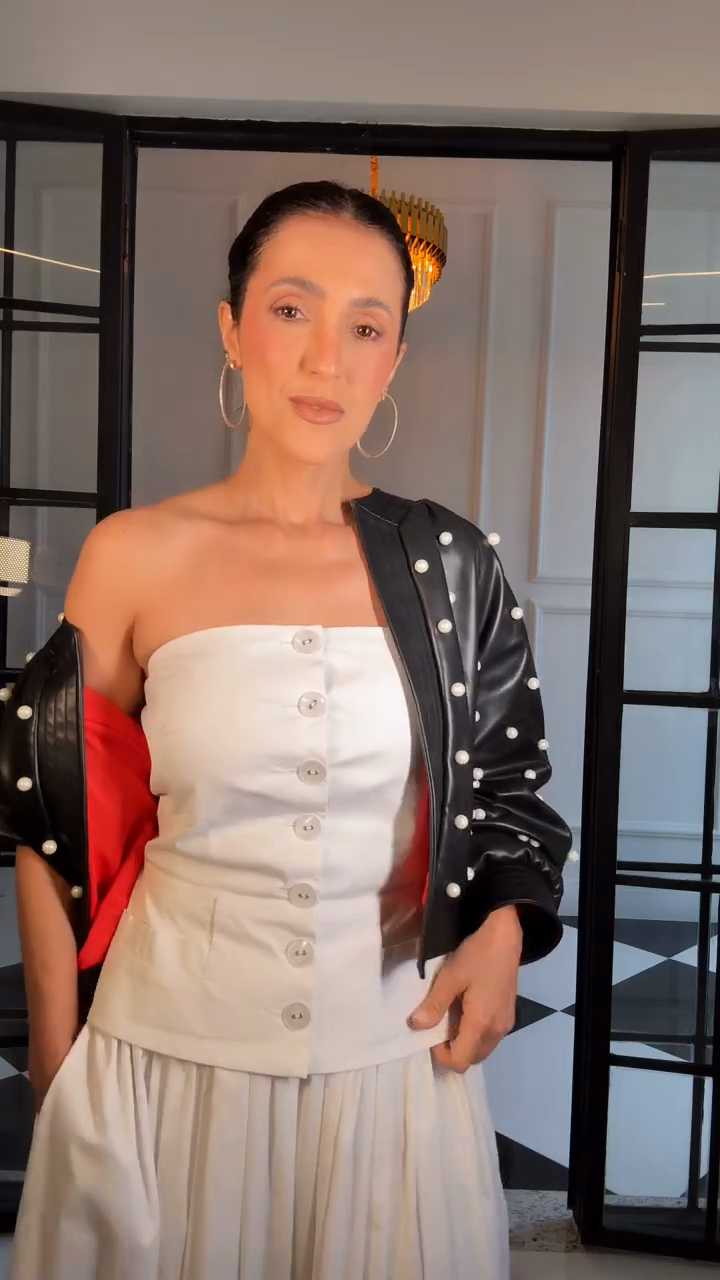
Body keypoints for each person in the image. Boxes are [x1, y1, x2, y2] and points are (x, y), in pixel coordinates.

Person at [3, 180, 571, 1280]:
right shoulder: (133, 555)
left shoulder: (450, 565)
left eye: (366, 326)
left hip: (393, 1067)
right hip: (164, 1060)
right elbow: (52, 810)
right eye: (292, 309)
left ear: (394, 357)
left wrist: (503, 931)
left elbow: (510, 786)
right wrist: (55, 1057)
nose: (327, 359)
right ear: (232, 327)